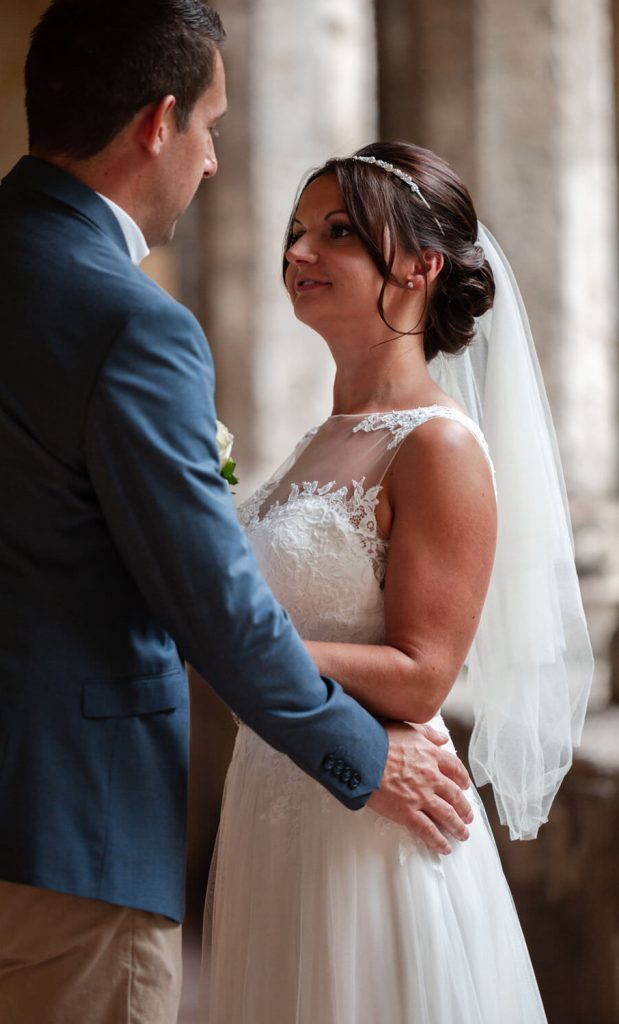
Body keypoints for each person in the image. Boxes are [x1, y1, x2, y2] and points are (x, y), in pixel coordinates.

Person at [0, 6, 475, 1022]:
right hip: (72, 837)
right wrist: (363, 758)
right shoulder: (133, 323)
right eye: (211, 126)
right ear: (156, 123)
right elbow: (211, 607)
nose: (216, 160)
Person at [201, 142, 594, 1022]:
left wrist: (242, 650)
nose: (297, 253)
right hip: (279, 798)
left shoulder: (437, 446)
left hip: (371, 826)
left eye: (337, 232)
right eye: (297, 232)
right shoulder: (323, 437)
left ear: (419, 266)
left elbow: (424, 673)